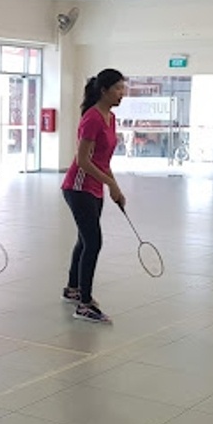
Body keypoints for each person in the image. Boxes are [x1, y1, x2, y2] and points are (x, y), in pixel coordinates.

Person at [60, 69, 127, 323]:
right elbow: (83, 161)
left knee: (84, 240)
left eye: (123, 88)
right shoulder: (92, 118)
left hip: (95, 187)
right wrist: (111, 184)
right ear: (104, 90)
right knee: (93, 242)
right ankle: (85, 304)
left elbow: (103, 160)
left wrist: (115, 187)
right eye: (118, 88)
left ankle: (73, 288)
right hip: (78, 187)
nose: (122, 94)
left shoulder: (110, 118)